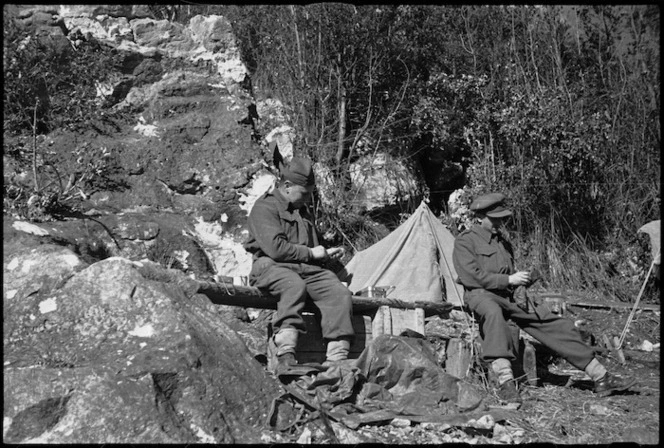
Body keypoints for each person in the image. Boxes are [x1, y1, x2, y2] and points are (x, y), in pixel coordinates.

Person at [452, 192, 636, 405]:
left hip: (511, 296)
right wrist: (508, 279)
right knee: (494, 315)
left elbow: (509, 274)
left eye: (502, 218)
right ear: (479, 217)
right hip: (481, 295)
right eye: (495, 219)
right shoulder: (465, 241)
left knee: (554, 322)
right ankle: (505, 383)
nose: (500, 223)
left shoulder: (503, 242)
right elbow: (471, 276)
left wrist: (522, 280)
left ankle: (601, 377)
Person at [243, 154, 354, 374]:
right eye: (304, 193)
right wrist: (312, 252)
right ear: (286, 186)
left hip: (305, 269)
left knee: (338, 292)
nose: (307, 199)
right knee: (293, 285)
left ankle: (337, 359)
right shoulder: (264, 208)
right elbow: (276, 248)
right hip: (271, 267)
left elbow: (309, 252)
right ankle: (285, 352)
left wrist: (325, 254)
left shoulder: (303, 212)